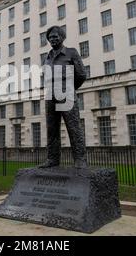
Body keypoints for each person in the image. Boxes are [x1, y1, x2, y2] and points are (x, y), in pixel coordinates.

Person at [39, 26, 88, 169]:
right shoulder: (47, 57)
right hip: (50, 96)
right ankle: (52, 159)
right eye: (50, 37)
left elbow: (81, 74)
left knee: (74, 127)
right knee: (51, 129)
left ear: (62, 37)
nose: (53, 39)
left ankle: (80, 159)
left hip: (66, 94)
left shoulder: (71, 52)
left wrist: (69, 88)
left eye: (55, 36)